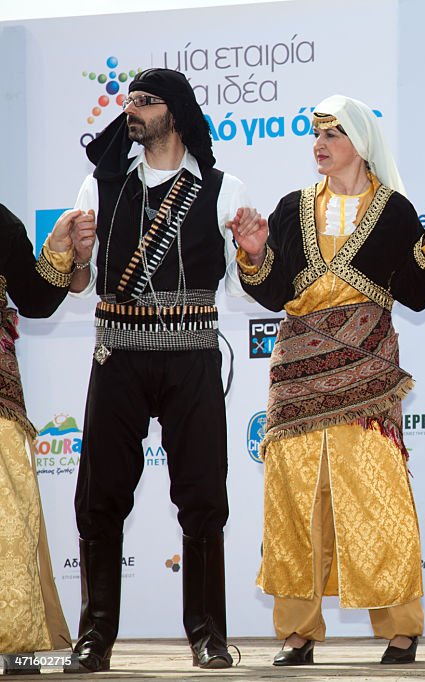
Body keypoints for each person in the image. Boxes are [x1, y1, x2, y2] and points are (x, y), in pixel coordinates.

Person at [230, 95, 425, 666]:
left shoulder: (394, 211)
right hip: (296, 374)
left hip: (367, 376)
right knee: (296, 503)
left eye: (332, 135)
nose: (319, 145)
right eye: (315, 135)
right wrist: (252, 255)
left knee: (376, 496)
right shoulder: (292, 206)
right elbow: (273, 293)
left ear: (360, 144)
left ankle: (401, 630)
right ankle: (296, 634)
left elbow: (417, 295)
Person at [66, 67, 257, 672]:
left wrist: (254, 255)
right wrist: (77, 258)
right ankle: (95, 637)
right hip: (118, 355)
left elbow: (249, 289)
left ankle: (208, 633)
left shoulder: (223, 189)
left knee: (203, 495)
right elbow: (75, 285)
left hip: (192, 357)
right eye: (129, 102)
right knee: (99, 499)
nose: (133, 111)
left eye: (145, 102)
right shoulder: (99, 188)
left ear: (174, 111)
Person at [0, 204, 73, 674]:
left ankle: (17, 637)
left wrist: (60, 252)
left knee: (8, 508)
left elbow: (35, 298)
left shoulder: (1, 223)